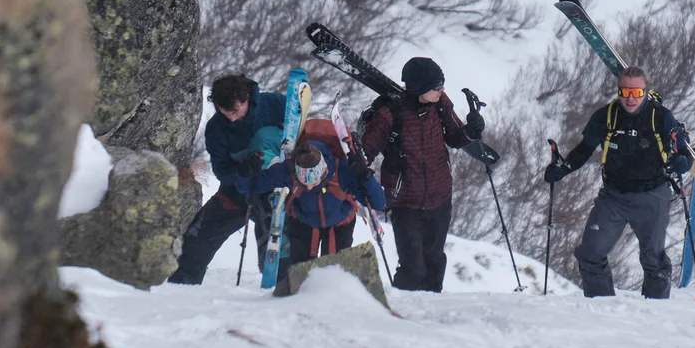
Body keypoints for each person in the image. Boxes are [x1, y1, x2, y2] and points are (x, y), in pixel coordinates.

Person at [542, 66, 693, 298]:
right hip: (613, 196)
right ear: (619, 91)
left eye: (637, 93)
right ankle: (602, 308)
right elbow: (584, 150)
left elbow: (684, 153)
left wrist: (681, 163)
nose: (631, 99)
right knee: (590, 253)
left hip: (652, 195)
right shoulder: (606, 116)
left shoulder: (660, 116)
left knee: (653, 259)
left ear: (645, 91)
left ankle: (657, 312)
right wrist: (563, 169)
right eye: (625, 92)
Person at [358, 57, 483, 292]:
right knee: (412, 269)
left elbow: (455, 136)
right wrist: (360, 170)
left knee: (435, 262)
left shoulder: (440, 103)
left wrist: (471, 131)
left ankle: (431, 318)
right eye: (437, 87)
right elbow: (366, 151)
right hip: (405, 202)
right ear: (419, 88)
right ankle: (403, 316)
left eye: (442, 84)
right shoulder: (390, 114)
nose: (442, 90)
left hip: (440, 197)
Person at [165, 73, 288, 285]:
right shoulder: (216, 129)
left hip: (276, 190)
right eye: (225, 112)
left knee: (272, 244)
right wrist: (242, 172)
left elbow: (301, 135)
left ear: (247, 98)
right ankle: (181, 286)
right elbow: (222, 170)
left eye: (235, 111)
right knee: (198, 236)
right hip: (239, 190)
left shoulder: (275, 104)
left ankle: (284, 288)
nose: (231, 117)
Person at [251, 140, 388, 276]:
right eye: (303, 180)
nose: (309, 187)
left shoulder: (343, 170)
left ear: (323, 170)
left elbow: (378, 203)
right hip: (304, 222)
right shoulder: (289, 169)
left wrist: (366, 175)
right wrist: (246, 173)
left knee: (333, 276)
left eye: (313, 179)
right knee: (301, 276)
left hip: (339, 224)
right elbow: (253, 186)